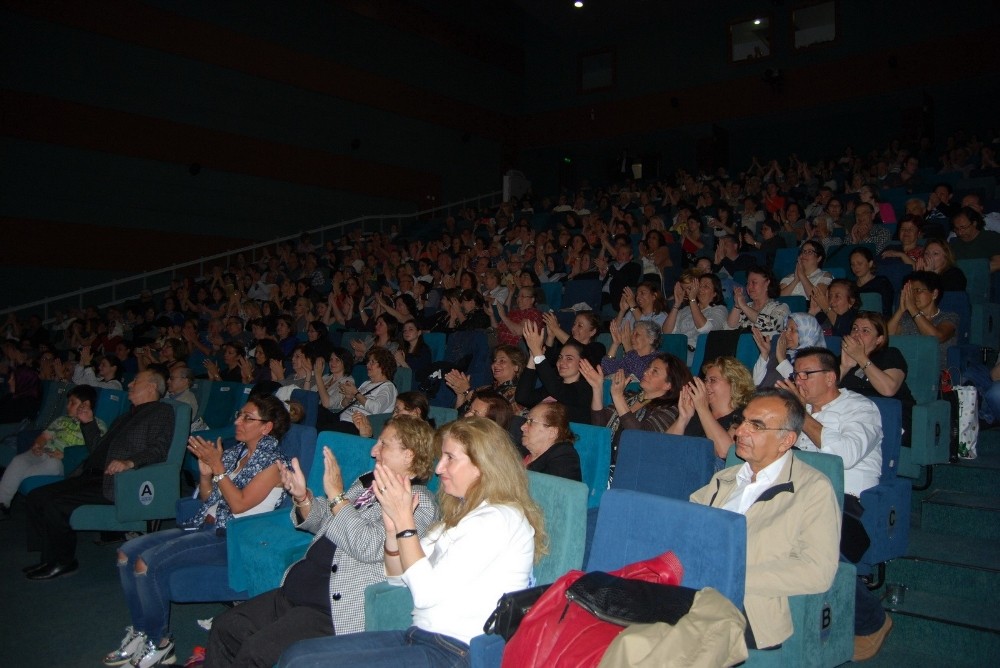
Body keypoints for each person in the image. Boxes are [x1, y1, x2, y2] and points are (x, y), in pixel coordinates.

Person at [277, 417, 546, 668]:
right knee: (296, 653)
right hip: (419, 636)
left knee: (307, 665)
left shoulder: (499, 519)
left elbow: (425, 594)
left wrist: (405, 523)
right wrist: (394, 530)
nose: (439, 469)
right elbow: (395, 576)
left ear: (482, 465)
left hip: (456, 650)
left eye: (450, 458)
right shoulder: (458, 518)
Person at [203, 416, 438, 668]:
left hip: (330, 606)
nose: (373, 450)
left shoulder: (418, 501)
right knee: (225, 627)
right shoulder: (367, 481)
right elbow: (330, 518)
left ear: (409, 456)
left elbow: (369, 545)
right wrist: (304, 498)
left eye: (383, 444)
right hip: (295, 590)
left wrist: (337, 497)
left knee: (256, 652)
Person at [104, 395, 290, 668]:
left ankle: (159, 643)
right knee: (126, 553)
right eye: (239, 414)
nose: (237, 421)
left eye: (247, 418)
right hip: (207, 526)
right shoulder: (236, 452)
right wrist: (206, 474)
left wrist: (218, 469)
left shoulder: (274, 464)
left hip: (233, 538)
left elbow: (238, 505)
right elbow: (208, 499)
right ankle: (141, 632)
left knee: (146, 563)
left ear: (267, 427)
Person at [690, 388, 841, 650]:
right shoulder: (725, 479)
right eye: (743, 421)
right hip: (694, 585)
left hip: (745, 604)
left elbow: (817, 571)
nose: (739, 432)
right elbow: (687, 526)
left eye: (756, 426)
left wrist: (733, 577)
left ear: (786, 441)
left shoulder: (812, 489)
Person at [774, 347, 893, 661]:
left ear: (830, 377)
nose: (798, 381)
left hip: (848, 505)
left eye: (806, 374)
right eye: (795, 375)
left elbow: (843, 456)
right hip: (795, 496)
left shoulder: (860, 409)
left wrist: (802, 414)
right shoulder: (794, 412)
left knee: (801, 533)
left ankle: (872, 621)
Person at [24, 370, 175, 580]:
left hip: (117, 481)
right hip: (91, 475)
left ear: (151, 387)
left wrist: (130, 462)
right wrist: (88, 422)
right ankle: (48, 555)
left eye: (135, 381)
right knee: (36, 496)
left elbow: (159, 449)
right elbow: (97, 448)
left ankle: (62, 561)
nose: (129, 384)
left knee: (54, 504)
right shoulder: (126, 415)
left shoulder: (161, 411)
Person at [0, 385, 107, 516]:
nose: (68, 406)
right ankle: (2, 503)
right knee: (18, 460)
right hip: (43, 453)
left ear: (86, 404)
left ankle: (16, 481)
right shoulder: (61, 420)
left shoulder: (98, 426)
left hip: (62, 462)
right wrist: (38, 445)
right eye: (68, 402)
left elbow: (95, 451)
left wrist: (64, 456)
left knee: (51, 464)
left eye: (72, 403)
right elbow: (44, 436)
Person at [581, 353, 692, 472]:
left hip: (632, 470)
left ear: (668, 384)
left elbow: (642, 438)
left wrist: (618, 397)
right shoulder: (629, 397)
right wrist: (597, 388)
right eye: (648, 368)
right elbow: (599, 427)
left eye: (654, 371)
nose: (645, 372)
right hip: (603, 461)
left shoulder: (670, 409)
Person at [839, 312, 915, 446]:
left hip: (887, 418)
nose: (857, 334)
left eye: (865, 331)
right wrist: (844, 367)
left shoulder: (890, 355)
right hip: (851, 419)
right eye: (854, 329)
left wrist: (861, 358)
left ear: (879, 339)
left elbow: (888, 389)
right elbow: (825, 394)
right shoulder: (842, 359)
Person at [668, 356, 754, 466]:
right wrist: (683, 418)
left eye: (712, 380)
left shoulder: (743, 415)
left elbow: (725, 452)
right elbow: (666, 446)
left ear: (734, 384)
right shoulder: (695, 412)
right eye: (705, 380)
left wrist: (702, 409)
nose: (706, 385)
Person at [516, 321, 591, 424]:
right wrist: (533, 356)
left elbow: (557, 390)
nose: (562, 362)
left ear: (582, 363)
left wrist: (537, 352)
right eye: (560, 357)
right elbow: (522, 397)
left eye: (569, 359)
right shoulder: (553, 386)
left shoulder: (584, 388)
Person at [887, 270, 958, 367]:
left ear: (934, 294)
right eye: (910, 292)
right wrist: (900, 309)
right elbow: (886, 337)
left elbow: (936, 337)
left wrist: (912, 308)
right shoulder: (905, 318)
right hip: (906, 370)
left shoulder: (949, 317)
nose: (913, 295)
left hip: (936, 372)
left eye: (917, 290)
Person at [663, 273, 729, 366]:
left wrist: (692, 300)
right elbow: (667, 331)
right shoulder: (686, 309)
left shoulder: (720, 310)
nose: (700, 289)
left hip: (695, 353)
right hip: (675, 348)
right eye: (699, 286)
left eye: (706, 286)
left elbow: (705, 329)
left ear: (715, 293)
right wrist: (677, 304)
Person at [446, 344, 526, 415]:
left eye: (502, 361)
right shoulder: (484, 388)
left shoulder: (518, 393)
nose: (495, 364)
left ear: (516, 367)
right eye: (494, 361)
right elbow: (458, 415)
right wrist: (460, 394)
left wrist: (466, 391)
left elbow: (492, 415)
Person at [751, 313, 826, 388]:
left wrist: (782, 359)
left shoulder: (817, 362)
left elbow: (802, 386)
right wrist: (764, 355)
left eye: (792, 330)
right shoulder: (782, 352)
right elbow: (756, 383)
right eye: (786, 329)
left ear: (807, 333)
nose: (786, 333)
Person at [338, 348, 399, 435]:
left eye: (372, 362)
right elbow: (343, 406)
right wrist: (348, 397)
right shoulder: (366, 383)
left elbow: (376, 408)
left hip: (357, 426)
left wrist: (356, 393)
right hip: (343, 419)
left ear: (383, 366)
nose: (367, 365)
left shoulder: (388, 387)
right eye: (368, 362)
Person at [519, 403, 582, 482]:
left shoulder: (564, 457)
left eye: (530, 421)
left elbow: (555, 492)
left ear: (552, 432)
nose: (522, 427)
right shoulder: (520, 451)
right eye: (526, 421)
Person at [727, 266, 790, 335]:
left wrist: (744, 306)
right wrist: (737, 305)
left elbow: (771, 324)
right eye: (748, 283)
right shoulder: (746, 307)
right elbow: (729, 327)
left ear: (767, 284)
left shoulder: (781, 308)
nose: (749, 287)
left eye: (754, 282)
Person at [540, 310, 606, 367]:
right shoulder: (565, 347)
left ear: (592, 332)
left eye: (580, 326)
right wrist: (550, 337)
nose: (574, 329)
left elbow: (584, 351)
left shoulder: (598, 348)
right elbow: (548, 364)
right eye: (574, 324)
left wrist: (556, 329)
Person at [949, 207, 1000, 272]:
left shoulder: (991, 237)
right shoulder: (954, 243)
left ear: (974, 223)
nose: (960, 232)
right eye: (956, 229)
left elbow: (998, 263)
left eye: (963, 228)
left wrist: (971, 269)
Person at [850, 247, 895, 318]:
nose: (856, 267)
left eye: (859, 263)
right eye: (853, 264)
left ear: (870, 264)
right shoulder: (851, 286)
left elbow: (887, 311)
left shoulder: (881, 282)